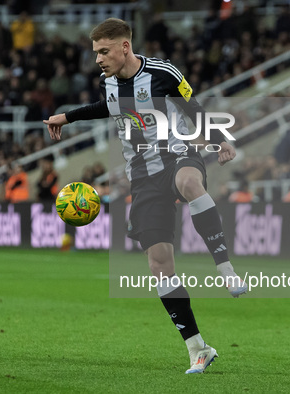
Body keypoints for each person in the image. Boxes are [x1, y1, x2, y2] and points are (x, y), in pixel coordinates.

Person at [43, 18, 247, 375]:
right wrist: (68, 116)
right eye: (96, 53)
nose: (99, 59)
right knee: (159, 265)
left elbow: (193, 109)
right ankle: (198, 348)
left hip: (177, 153)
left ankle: (226, 269)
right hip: (142, 176)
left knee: (189, 183)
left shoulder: (164, 72)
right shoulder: (109, 84)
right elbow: (106, 108)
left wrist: (218, 140)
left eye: (104, 51)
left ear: (125, 47)